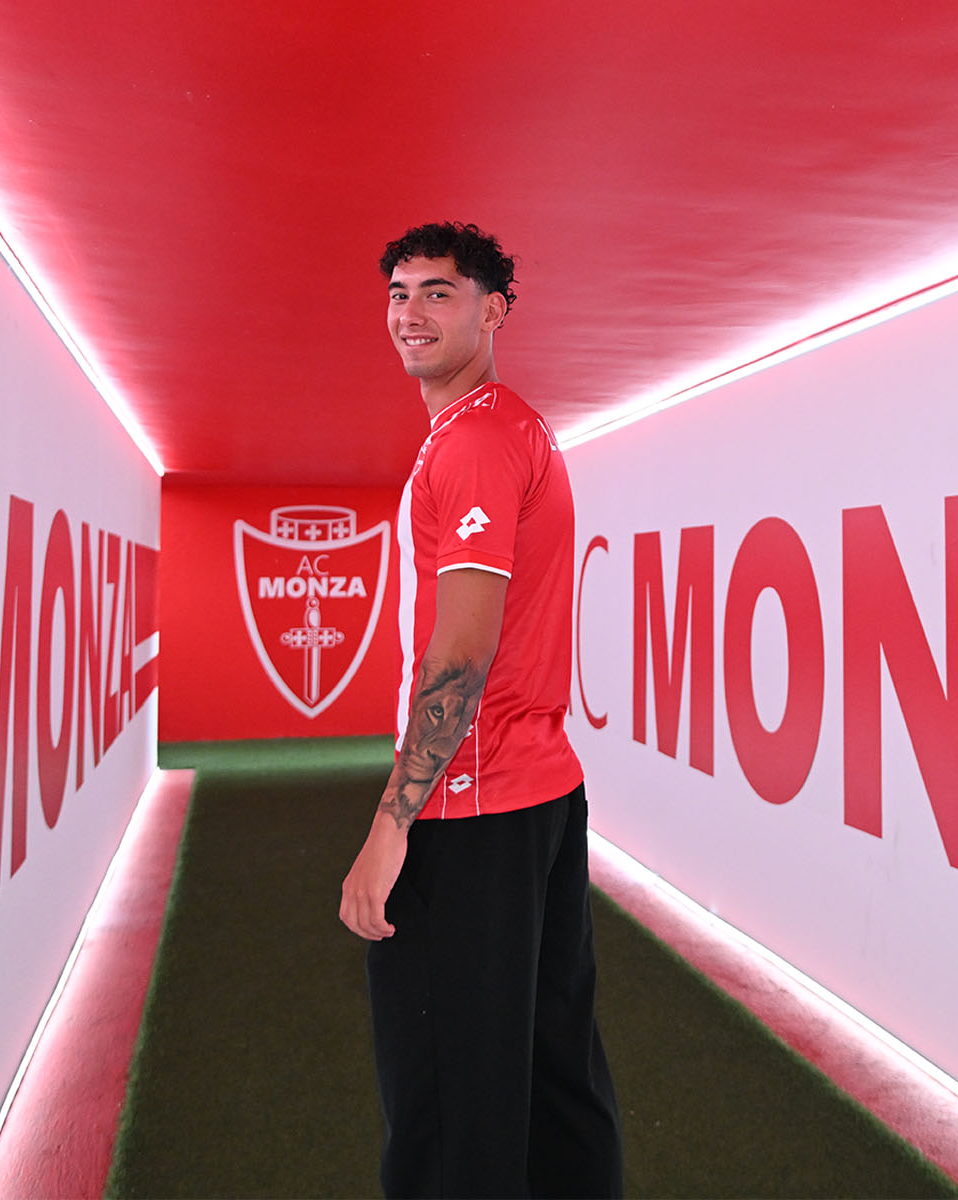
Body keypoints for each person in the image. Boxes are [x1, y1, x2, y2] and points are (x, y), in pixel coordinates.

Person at [339, 221, 624, 1199]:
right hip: (538, 798)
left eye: (439, 292)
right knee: (550, 1078)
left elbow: (460, 655)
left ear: (493, 310)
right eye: (399, 292)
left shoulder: (476, 442)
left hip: (472, 809)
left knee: (450, 1103)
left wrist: (391, 824)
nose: (410, 312)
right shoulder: (511, 428)